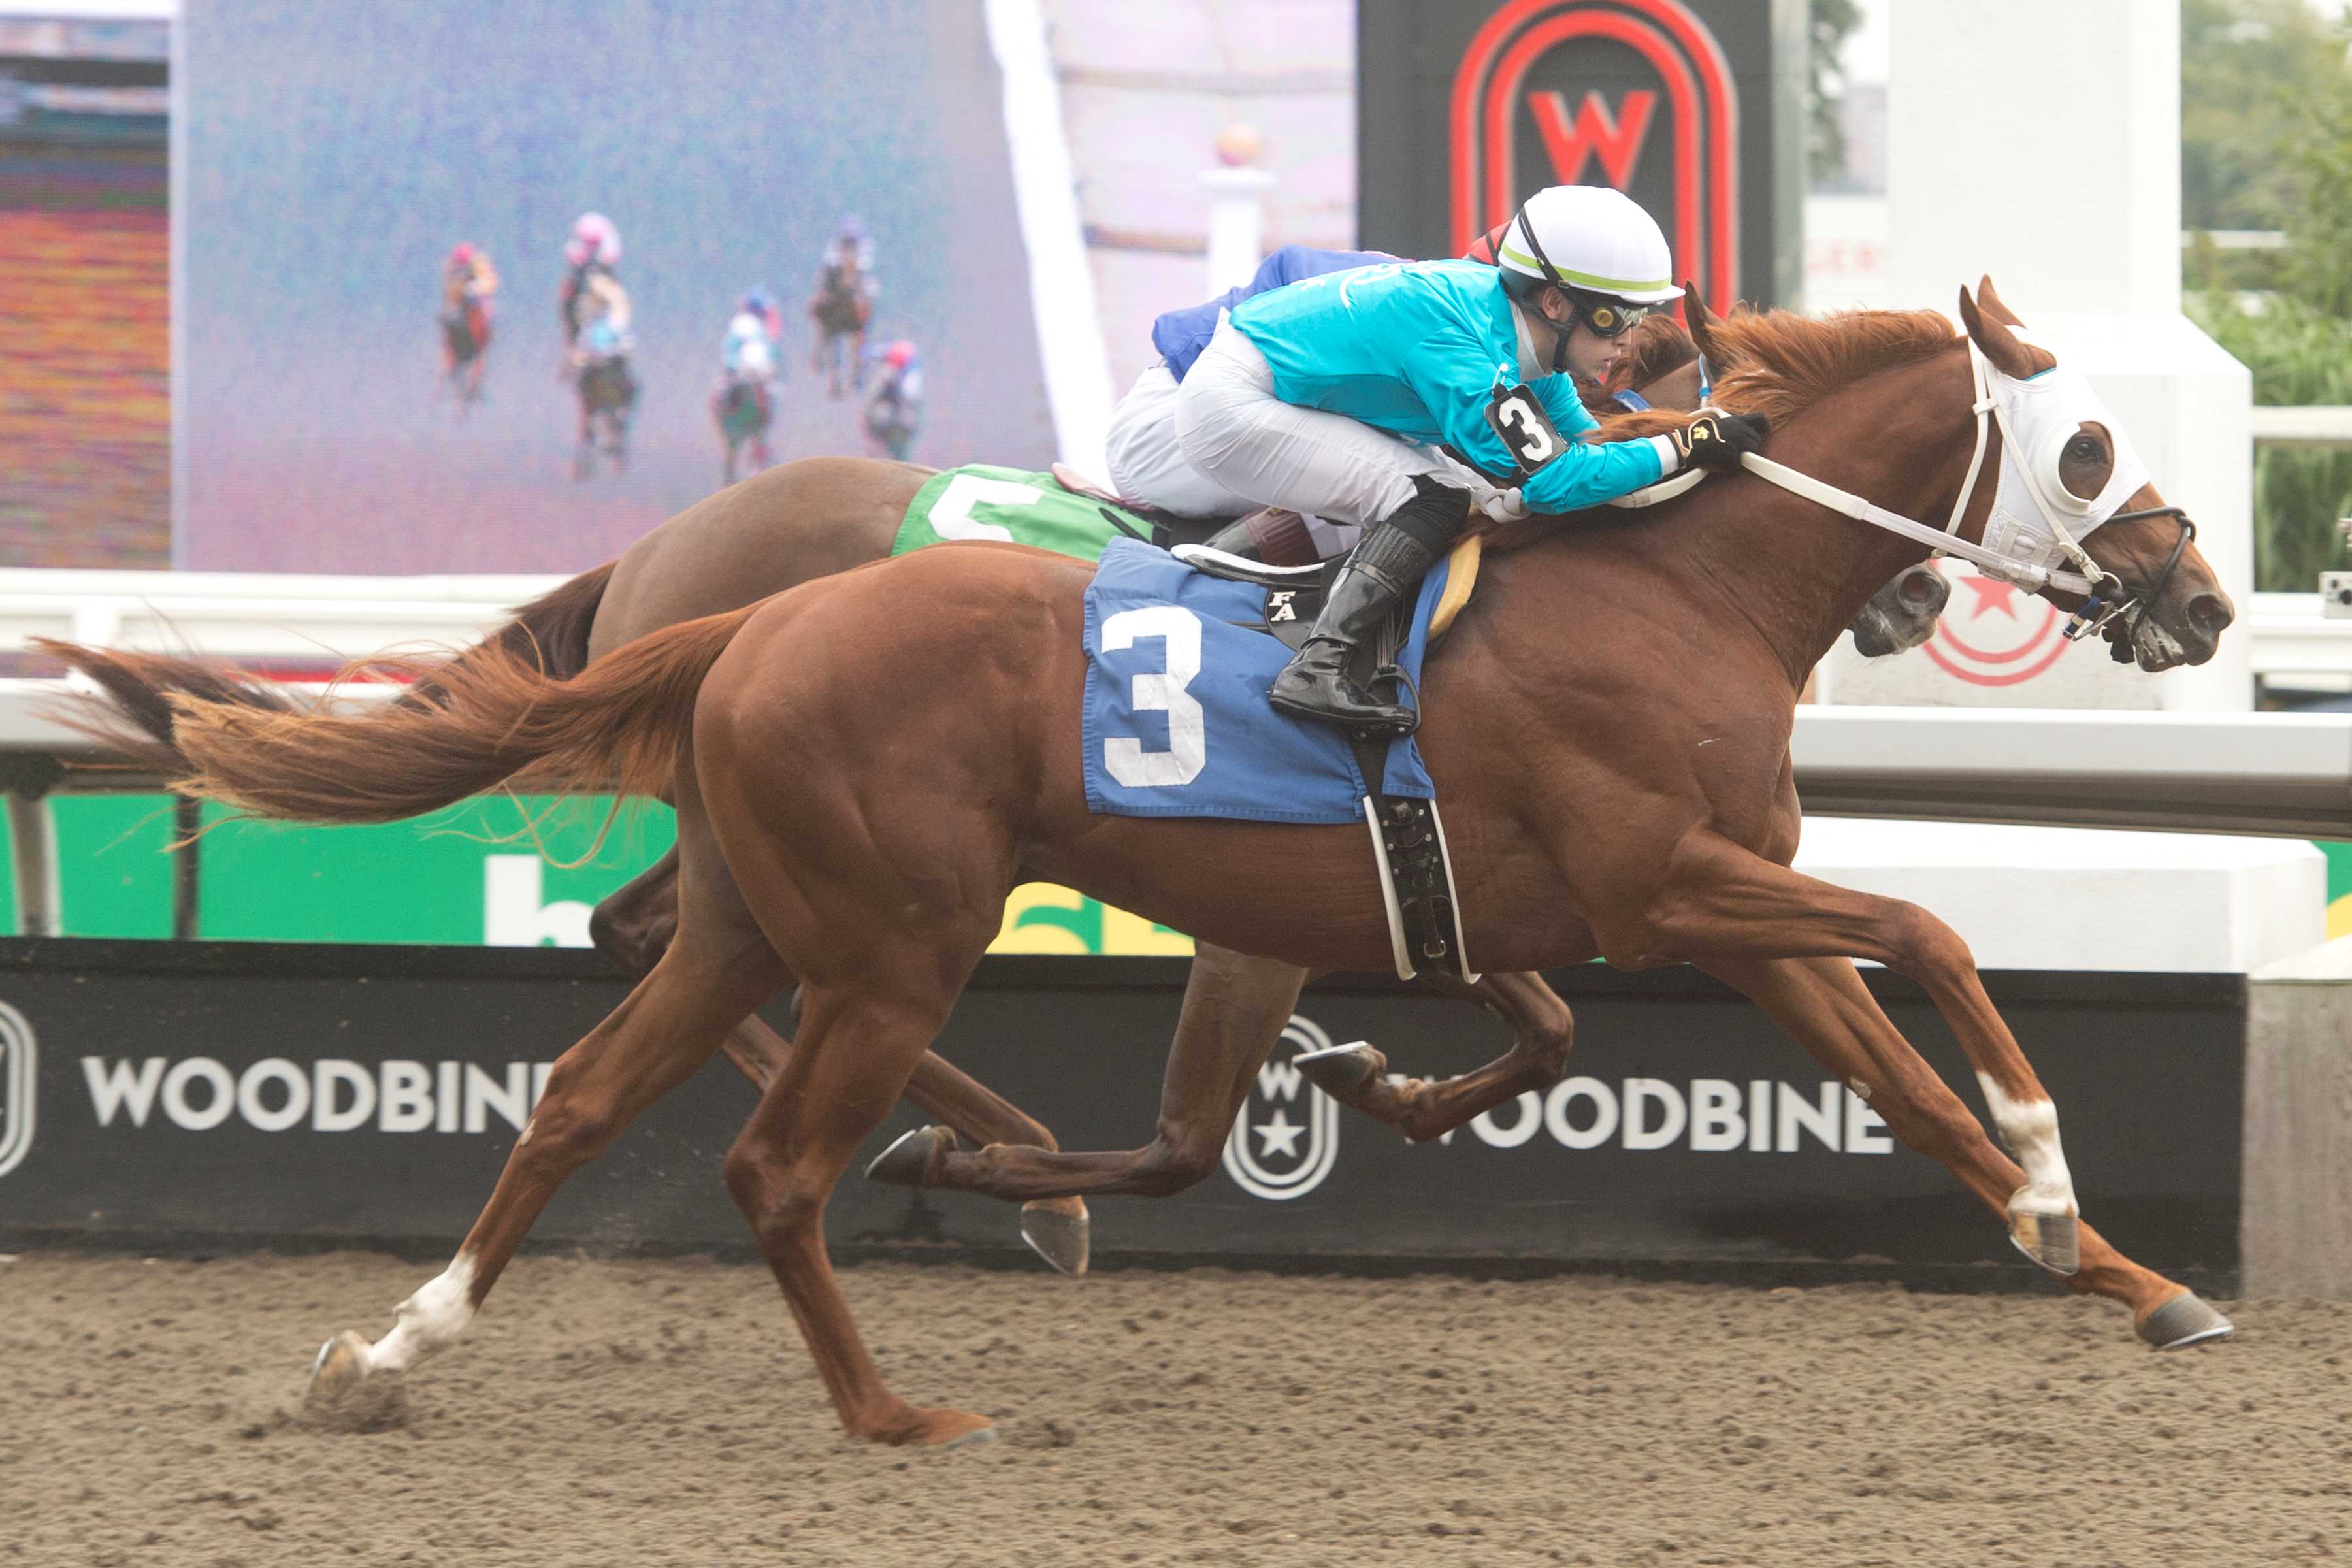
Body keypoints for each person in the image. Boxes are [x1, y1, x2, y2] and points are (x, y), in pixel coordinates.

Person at [1173, 183, 1767, 732]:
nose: (1629, 340)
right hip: (1232, 404)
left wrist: (1690, 445)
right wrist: (1682, 444)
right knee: (1437, 497)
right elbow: (1554, 483)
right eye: (1617, 317)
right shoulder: (1460, 343)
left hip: (1277, 385)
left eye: (1639, 318)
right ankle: (1317, 667)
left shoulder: (1531, 343)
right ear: (1556, 304)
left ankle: (1270, 592)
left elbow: (1589, 451)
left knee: (1484, 502)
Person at [1107, 242, 1397, 547]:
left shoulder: (1416, 284)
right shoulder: (1397, 286)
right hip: (1167, 423)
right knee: (1415, 494)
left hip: (1187, 416)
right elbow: (1291, 266)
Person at [439, 242, 498, 401]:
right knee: (448, 317)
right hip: (459, 305)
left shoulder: (481, 264)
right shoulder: (450, 266)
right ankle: (450, 357)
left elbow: (490, 284)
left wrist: (473, 289)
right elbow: (449, 289)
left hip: (477, 302)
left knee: (486, 318)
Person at [559, 212, 622, 347]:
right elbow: (567, 312)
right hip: (583, 340)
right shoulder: (572, 285)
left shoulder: (610, 286)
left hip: (608, 341)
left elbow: (619, 308)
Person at [864, 339, 922, 460]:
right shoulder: (890, 372)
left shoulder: (910, 382)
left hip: (899, 427)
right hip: (890, 424)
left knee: (899, 457)